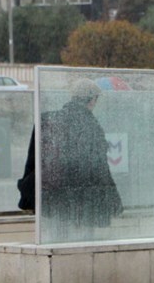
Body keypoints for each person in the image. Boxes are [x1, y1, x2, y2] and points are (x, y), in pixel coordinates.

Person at [40, 79, 123, 238]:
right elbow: (98, 166)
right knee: (83, 243)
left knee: (57, 239)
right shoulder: (90, 125)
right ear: (91, 100)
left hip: (54, 195)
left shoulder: (53, 119)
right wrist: (113, 198)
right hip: (82, 197)